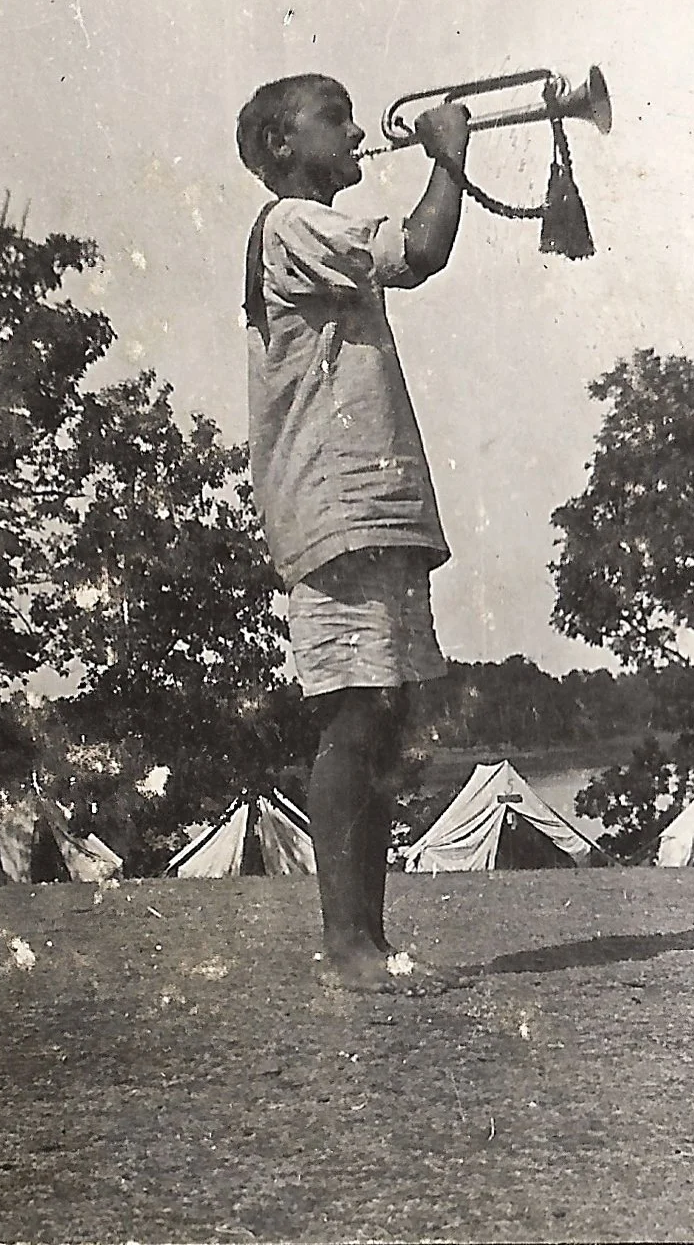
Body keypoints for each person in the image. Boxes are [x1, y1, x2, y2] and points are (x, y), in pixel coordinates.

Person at [236, 72, 469, 992]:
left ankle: (366, 940)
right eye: (331, 117)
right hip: (337, 504)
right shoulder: (293, 224)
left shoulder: (314, 230)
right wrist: (448, 156)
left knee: (381, 715)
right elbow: (420, 249)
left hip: (373, 502)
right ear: (282, 147)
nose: (356, 128)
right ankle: (347, 946)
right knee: (356, 711)